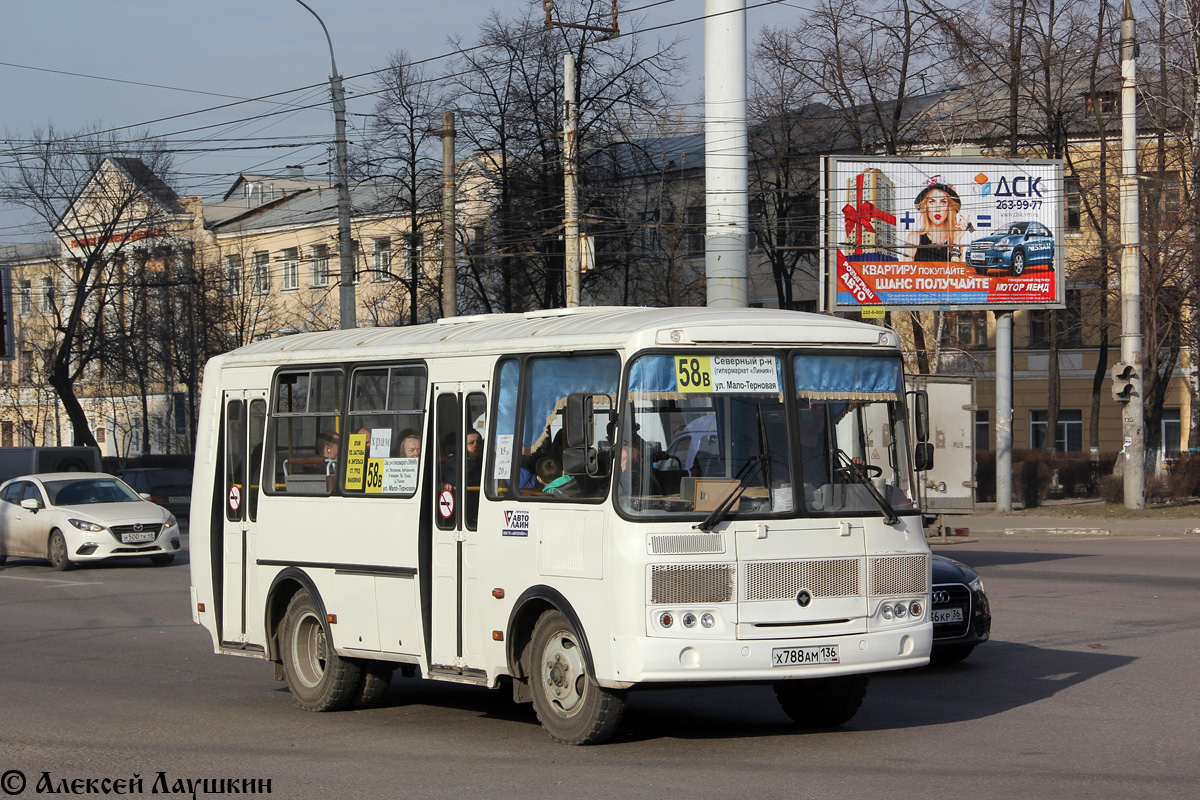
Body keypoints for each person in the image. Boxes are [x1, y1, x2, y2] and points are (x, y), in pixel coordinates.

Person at [905, 176, 963, 262]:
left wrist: (956, 243)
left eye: (943, 202)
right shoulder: (914, 238)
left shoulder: (956, 244)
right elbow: (905, 272)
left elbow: (956, 273)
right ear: (926, 206)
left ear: (949, 207)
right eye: (932, 202)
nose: (937, 209)